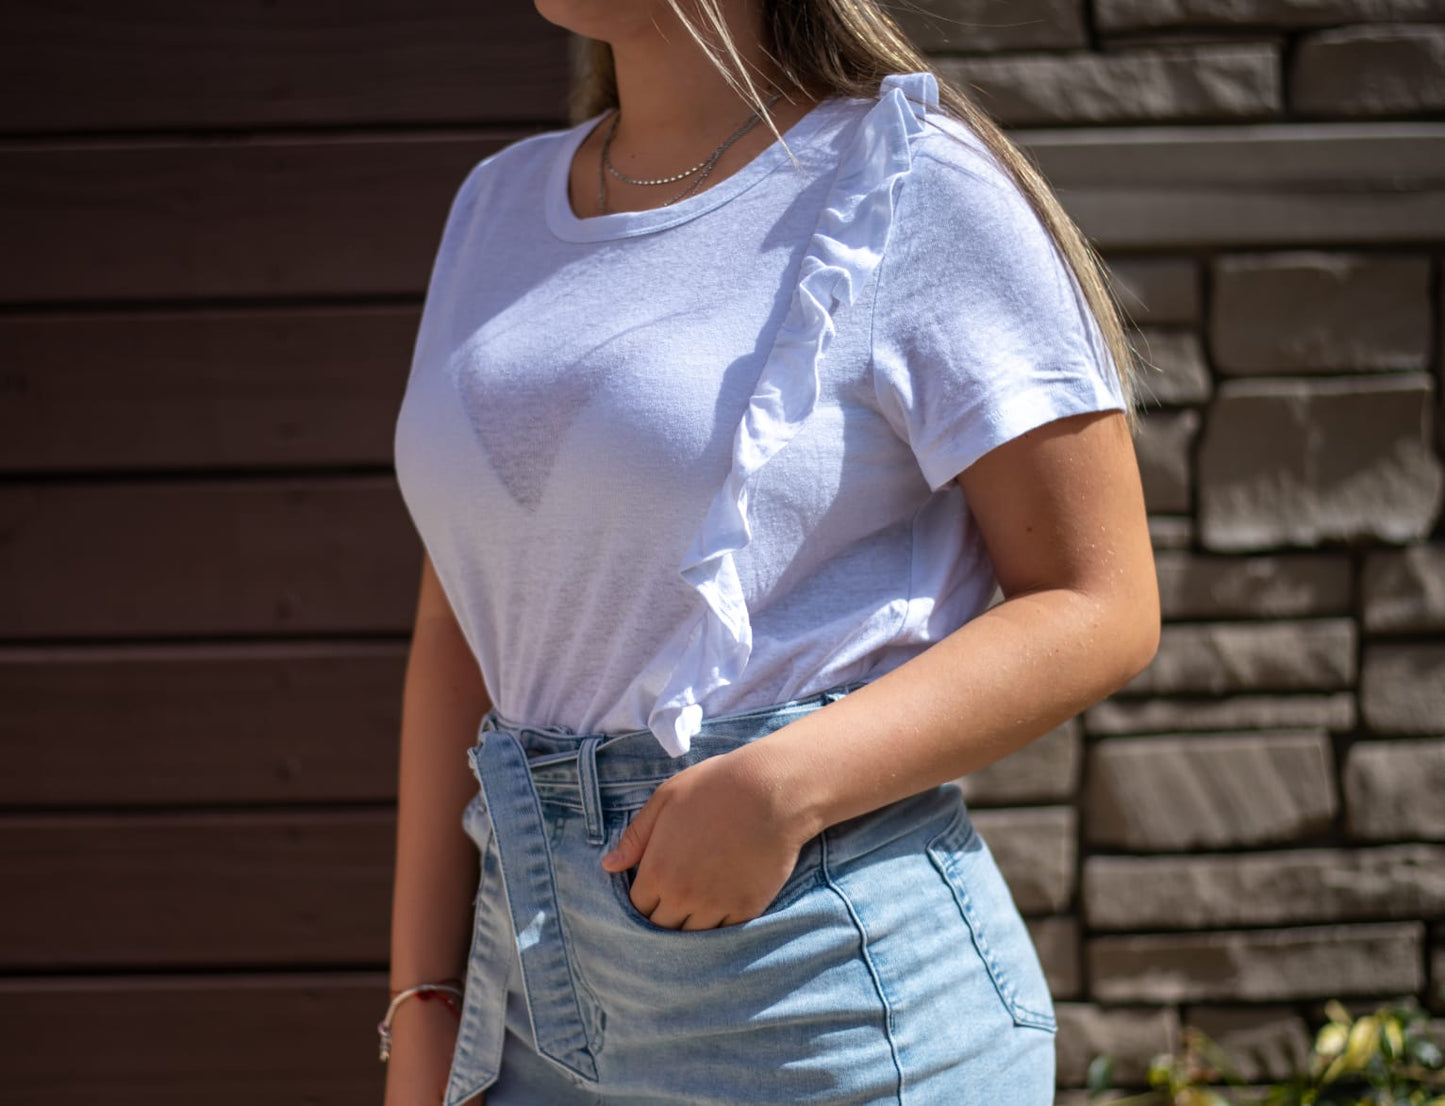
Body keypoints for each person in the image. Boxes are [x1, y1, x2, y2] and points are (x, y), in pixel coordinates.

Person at [381, 0, 1160, 1103]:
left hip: (820, 1006)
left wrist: (781, 785)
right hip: (527, 1011)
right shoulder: (493, 204)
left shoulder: (908, 179)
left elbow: (1100, 599)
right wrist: (425, 1000)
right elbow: (458, 620)